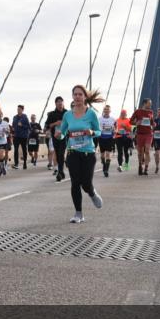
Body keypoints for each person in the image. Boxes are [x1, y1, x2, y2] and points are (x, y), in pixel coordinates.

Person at [60, 85, 104, 223]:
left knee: (85, 183)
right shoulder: (67, 115)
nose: (78, 97)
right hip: (72, 152)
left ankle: (91, 192)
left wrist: (92, 132)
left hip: (88, 153)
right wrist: (59, 135)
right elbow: (62, 132)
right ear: (72, 97)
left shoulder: (91, 113)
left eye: (80, 94)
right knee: (75, 183)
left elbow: (99, 131)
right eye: (75, 94)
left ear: (85, 97)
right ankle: (78, 213)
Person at [45, 96, 68, 182]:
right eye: (58, 102)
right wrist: (55, 123)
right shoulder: (52, 114)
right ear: (55, 104)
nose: (60, 104)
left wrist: (64, 124)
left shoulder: (67, 113)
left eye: (61, 102)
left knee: (61, 153)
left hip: (65, 137)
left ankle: (60, 172)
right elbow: (47, 126)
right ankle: (61, 172)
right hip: (55, 137)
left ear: (63, 103)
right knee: (58, 154)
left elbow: (72, 123)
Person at [130, 98, 154, 176]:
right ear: (144, 103)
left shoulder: (151, 112)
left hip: (148, 134)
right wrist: (136, 122)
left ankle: (146, 168)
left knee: (147, 150)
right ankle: (140, 165)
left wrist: (154, 124)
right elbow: (131, 121)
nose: (150, 105)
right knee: (140, 152)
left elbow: (152, 122)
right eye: (149, 103)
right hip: (140, 134)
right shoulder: (138, 111)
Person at [98, 104, 117, 177]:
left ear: (110, 111)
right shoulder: (99, 119)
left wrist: (115, 131)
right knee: (102, 155)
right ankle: (103, 163)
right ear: (103, 110)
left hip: (109, 138)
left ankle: (106, 170)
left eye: (108, 110)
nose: (106, 111)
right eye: (105, 110)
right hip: (101, 138)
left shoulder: (113, 119)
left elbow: (116, 128)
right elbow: (97, 128)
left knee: (108, 154)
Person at [11, 105, 30, 169]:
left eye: (19, 109)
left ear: (22, 110)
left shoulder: (25, 117)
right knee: (15, 150)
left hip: (24, 136)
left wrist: (22, 125)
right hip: (16, 136)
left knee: (24, 150)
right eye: (17, 109)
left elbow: (28, 127)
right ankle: (16, 163)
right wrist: (13, 129)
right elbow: (13, 125)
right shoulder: (14, 117)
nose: (18, 110)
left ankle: (25, 163)